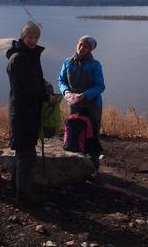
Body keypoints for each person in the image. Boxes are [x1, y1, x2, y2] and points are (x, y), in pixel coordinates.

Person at [6, 21, 56, 203]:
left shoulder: (30, 55)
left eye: (36, 37)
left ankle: (16, 190)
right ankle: (25, 197)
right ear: (23, 37)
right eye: (30, 37)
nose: (33, 40)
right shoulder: (18, 58)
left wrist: (44, 85)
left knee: (23, 154)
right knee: (26, 156)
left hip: (28, 113)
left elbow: (34, 79)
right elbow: (22, 89)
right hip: (21, 114)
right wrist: (45, 96)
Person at [58, 35, 105, 171]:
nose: (82, 48)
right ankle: (77, 165)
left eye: (86, 46)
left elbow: (100, 86)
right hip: (74, 104)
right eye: (80, 44)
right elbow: (61, 80)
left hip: (92, 105)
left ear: (90, 49)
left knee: (91, 135)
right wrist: (66, 92)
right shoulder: (68, 62)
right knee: (75, 131)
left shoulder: (95, 65)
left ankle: (93, 167)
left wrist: (85, 95)